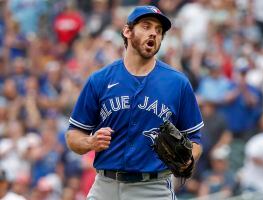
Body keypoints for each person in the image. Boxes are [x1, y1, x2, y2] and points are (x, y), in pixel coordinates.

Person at [65, 5, 204, 200]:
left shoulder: (177, 83)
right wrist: (89, 141)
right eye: (146, 26)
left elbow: (195, 139)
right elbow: (73, 135)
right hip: (106, 187)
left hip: (153, 189)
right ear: (127, 31)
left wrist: (187, 160)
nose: (153, 34)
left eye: (158, 31)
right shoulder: (100, 80)